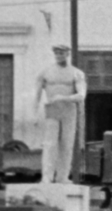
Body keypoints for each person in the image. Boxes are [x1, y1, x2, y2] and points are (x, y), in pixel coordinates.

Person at [35, 44, 87, 183]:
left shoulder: (76, 73)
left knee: (67, 144)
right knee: (50, 144)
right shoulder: (45, 72)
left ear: (67, 54)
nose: (59, 55)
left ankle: (62, 176)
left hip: (69, 111)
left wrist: (62, 97)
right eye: (57, 53)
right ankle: (47, 176)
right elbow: (37, 96)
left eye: (62, 53)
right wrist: (36, 114)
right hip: (52, 110)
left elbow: (81, 95)